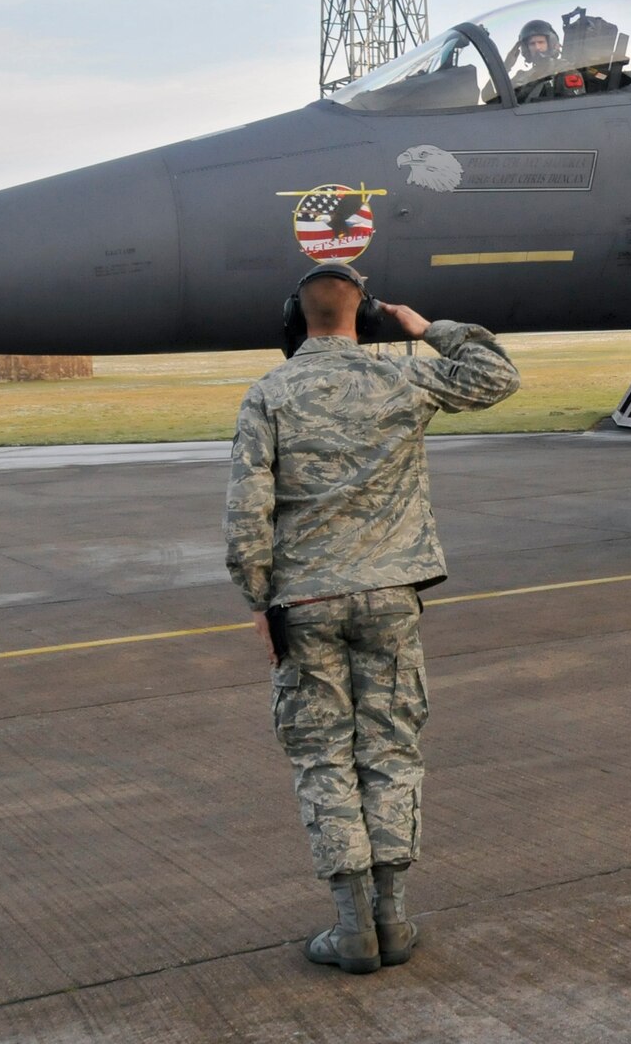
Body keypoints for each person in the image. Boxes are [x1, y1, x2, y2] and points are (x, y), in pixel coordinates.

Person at [224, 262, 521, 974]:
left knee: (324, 756)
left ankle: (352, 927)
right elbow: (495, 376)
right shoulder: (404, 376)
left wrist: (261, 600)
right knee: (390, 749)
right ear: (368, 317)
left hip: (307, 602)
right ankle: (394, 918)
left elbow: (245, 519)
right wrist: (428, 328)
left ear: (294, 321)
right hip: (391, 597)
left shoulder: (268, 394)